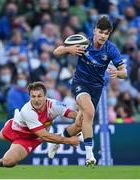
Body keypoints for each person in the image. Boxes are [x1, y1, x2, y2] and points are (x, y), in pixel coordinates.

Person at [49, 16, 127, 167]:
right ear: (94, 31)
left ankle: (58, 140)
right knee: (89, 113)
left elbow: (125, 72)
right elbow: (56, 52)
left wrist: (119, 73)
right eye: (101, 32)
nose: (103, 36)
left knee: (80, 123)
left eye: (107, 33)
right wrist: (68, 49)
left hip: (96, 88)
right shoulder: (84, 42)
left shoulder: (111, 49)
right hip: (80, 83)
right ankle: (89, 154)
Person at [0, 81, 81, 168]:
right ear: (29, 97)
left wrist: (84, 117)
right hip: (15, 130)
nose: (36, 100)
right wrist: (69, 140)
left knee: (7, 162)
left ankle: (10, 157)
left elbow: (74, 115)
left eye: (39, 96)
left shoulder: (54, 105)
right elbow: (44, 136)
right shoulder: (27, 111)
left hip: (32, 138)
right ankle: (13, 149)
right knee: (0, 136)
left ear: (45, 97)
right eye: (33, 96)